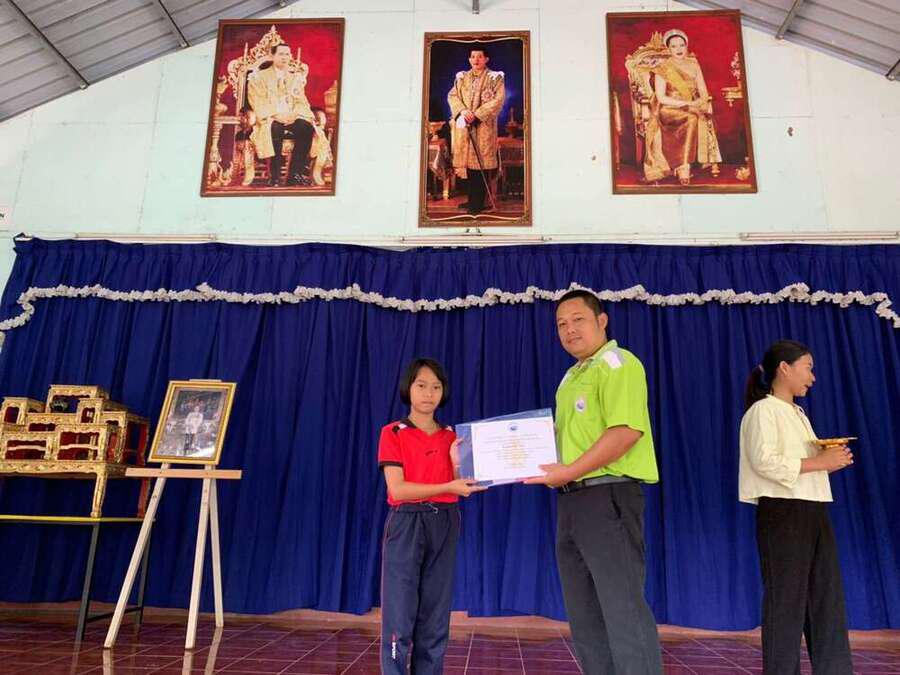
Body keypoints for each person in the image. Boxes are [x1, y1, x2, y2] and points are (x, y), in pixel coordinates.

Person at [525, 289, 662, 674]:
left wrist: (568, 472)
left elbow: (625, 433)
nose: (569, 330)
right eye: (561, 324)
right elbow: (559, 441)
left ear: (602, 321)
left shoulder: (618, 364)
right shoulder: (571, 377)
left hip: (608, 497)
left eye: (578, 320)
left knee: (622, 610)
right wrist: (482, 455)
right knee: (584, 615)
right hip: (571, 502)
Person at [740, 340, 854, 674]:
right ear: (784, 368)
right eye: (808, 368)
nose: (812, 377)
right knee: (786, 601)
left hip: (813, 508)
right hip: (783, 511)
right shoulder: (763, 411)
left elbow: (797, 464)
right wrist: (821, 463)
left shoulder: (797, 413)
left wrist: (827, 461)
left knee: (826, 598)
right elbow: (765, 462)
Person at [378, 358, 485, 674]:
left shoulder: (454, 437)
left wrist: (458, 465)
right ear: (408, 388)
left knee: (436, 615)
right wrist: (448, 485)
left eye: (436, 387)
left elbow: (463, 483)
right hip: (407, 522)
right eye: (421, 385)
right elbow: (397, 490)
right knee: (399, 613)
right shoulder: (392, 432)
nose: (429, 394)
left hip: (445, 521)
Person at [640, 29, 722, 185]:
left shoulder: (694, 65)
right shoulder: (663, 68)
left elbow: (703, 91)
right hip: (668, 109)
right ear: (668, 49)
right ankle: (684, 167)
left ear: (687, 46)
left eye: (681, 45)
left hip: (690, 107)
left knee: (697, 116)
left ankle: (682, 165)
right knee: (691, 118)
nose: (678, 49)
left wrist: (700, 102)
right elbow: (661, 97)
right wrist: (689, 104)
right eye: (674, 46)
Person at [447, 46, 506, 215]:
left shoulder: (494, 78)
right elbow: (452, 96)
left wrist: (478, 115)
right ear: (469, 59)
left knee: (480, 164)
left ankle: (478, 203)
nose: (476, 60)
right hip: (465, 125)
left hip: (483, 127)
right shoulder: (462, 77)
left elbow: (498, 100)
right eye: (473, 57)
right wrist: (463, 111)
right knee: (469, 165)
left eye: (480, 56)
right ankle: (472, 200)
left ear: (486, 59)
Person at [247, 42, 316, 186]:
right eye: (281, 54)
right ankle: (275, 176)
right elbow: (257, 101)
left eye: (287, 54)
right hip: (270, 118)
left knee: (306, 127)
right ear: (272, 56)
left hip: (291, 116)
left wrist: (295, 114)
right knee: (275, 128)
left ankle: (294, 174)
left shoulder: (294, 78)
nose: (284, 57)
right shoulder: (259, 77)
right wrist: (276, 115)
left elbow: (301, 101)